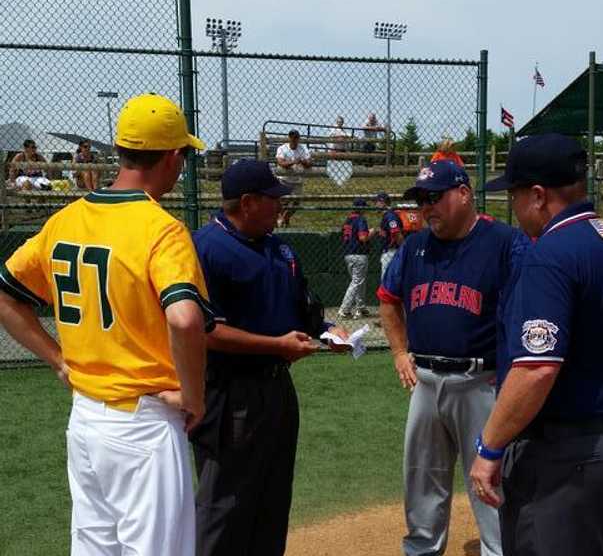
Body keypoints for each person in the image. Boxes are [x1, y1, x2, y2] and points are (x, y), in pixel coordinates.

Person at [0, 93, 212, 556]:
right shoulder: (162, 229)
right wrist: (194, 397)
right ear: (173, 157)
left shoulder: (67, 218)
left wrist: (57, 359)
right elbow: (184, 317)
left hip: (86, 418)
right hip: (145, 421)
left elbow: (5, 295)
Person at [470, 133, 603, 556]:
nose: (514, 209)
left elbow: (536, 368)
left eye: (515, 195)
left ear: (538, 196)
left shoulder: (549, 255)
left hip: (559, 458)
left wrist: (490, 447)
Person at [191, 159, 348, 556]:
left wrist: (328, 331)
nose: (281, 206)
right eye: (273, 198)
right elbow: (206, 332)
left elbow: (304, 311)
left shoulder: (279, 247)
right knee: (224, 505)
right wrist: (277, 345)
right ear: (247, 203)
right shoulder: (205, 249)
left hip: (278, 390)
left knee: (273, 497)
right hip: (229, 395)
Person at [377, 159, 528, 556]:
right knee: (422, 482)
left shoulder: (505, 242)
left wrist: (510, 368)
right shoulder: (414, 246)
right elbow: (388, 301)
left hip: (483, 383)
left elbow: (526, 311)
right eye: (421, 200)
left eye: (434, 197)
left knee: (490, 482)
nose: (426, 208)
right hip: (425, 383)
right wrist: (398, 352)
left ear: (464, 194)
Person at [338, 198, 371, 319]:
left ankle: (361, 307)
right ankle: (344, 309)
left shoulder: (347, 220)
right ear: (361, 208)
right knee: (357, 282)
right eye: (365, 207)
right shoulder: (360, 219)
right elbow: (363, 238)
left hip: (348, 254)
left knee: (358, 282)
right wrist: (371, 233)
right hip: (359, 254)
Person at [275, 129, 312, 227]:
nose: (294, 139)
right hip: (284, 179)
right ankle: (284, 220)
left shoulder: (303, 149)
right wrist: (294, 162)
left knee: (296, 203)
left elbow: (309, 164)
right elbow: (281, 162)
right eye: (292, 137)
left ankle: (284, 218)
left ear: (298, 138)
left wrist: (302, 161)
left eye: (296, 137)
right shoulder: (282, 148)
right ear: (289, 137)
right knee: (284, 202)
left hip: (297, 180)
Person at [372, 191, 404, 279]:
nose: (375, 205)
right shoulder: (387, 215)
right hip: (390, 252)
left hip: (392, 252)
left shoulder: (390, 216)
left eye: (376, 202)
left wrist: (403, 249)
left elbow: (397, 233)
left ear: (382, 202)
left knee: (387, 281)